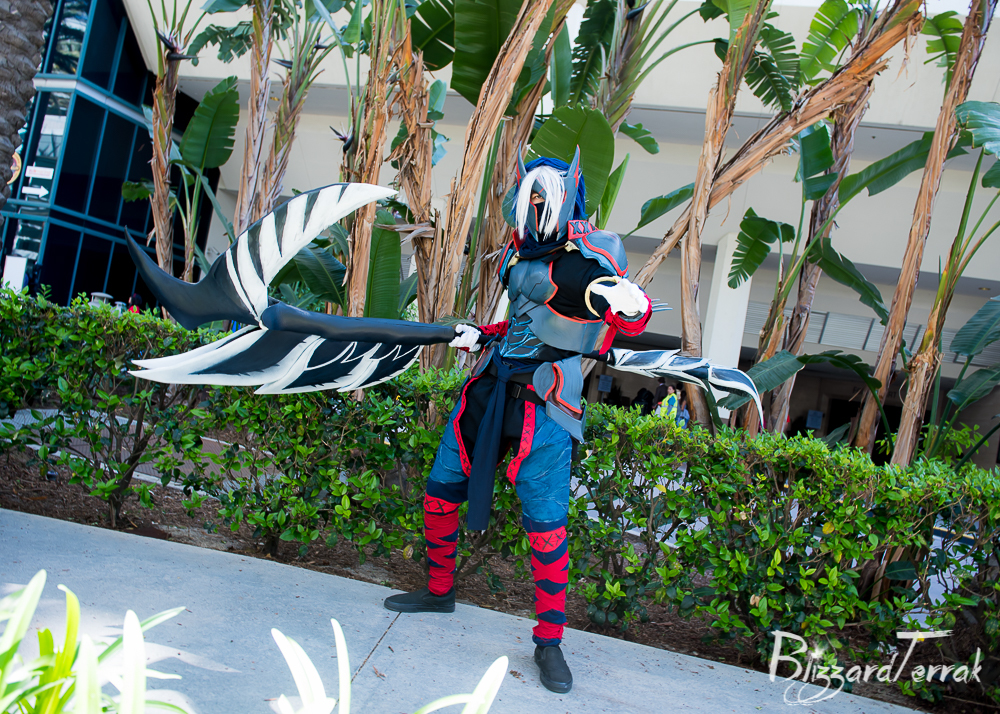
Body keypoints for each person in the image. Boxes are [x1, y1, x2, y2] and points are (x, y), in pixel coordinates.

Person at [382, 149, 652, 694]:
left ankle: (549, 642)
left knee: (546, 525)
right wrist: (482, 333)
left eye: (542, 198)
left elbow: (624, 314)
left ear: (564, 200)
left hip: (544, 403)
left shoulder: (586, 262)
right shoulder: (516, 252)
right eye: (528, 198)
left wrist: (625, 302)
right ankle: (439, 591)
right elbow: (524, 321)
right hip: (490, 385)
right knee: (441, 490)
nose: (533, 208)